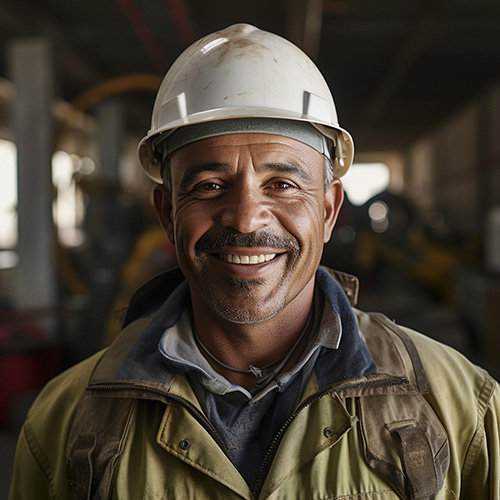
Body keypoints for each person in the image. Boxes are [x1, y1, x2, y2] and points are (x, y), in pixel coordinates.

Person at [9, 24, 500, 500]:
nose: (245, 219)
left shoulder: (460, 408)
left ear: (328, 211)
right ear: (167, 212)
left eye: (282, 185)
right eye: (209, 186)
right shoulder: (65, 423)